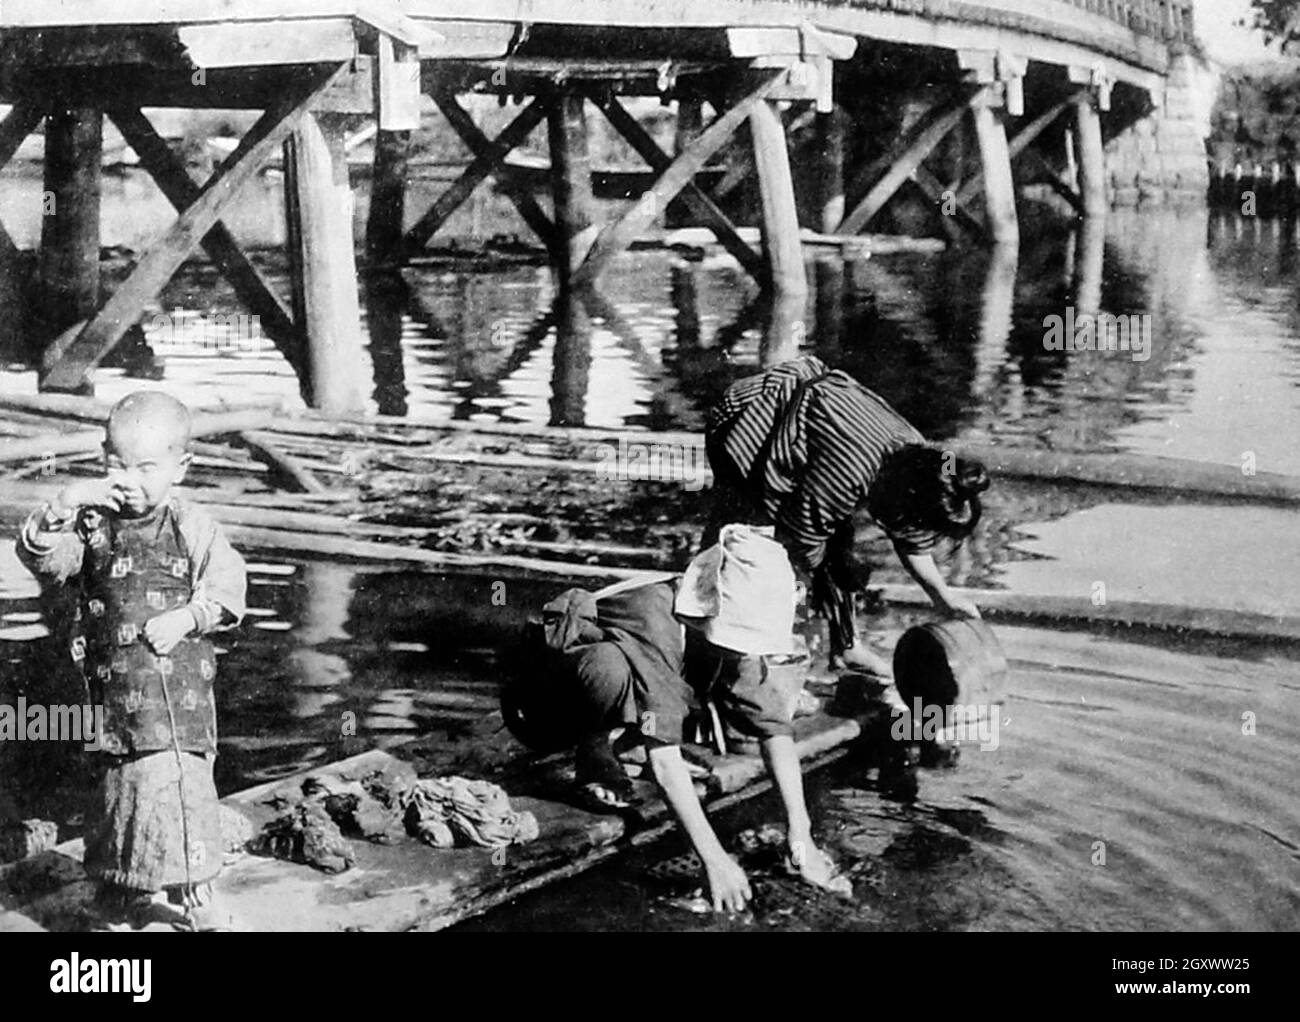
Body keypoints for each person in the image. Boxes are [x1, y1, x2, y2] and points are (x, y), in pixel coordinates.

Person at [503, 526, 848, 913]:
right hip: (539, 705)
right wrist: (715, 861)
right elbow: (664, 761)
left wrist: (801, 835)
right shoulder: (655, 620)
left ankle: (620, 738)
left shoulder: (729, 633)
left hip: (623, 681)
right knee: (610, 670)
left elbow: (773, 727)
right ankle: (593, 746)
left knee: (676, 691)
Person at [17, 391, 246, 931]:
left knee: (179, 793)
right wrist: (62, 506)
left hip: (177, 700)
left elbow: (230, 587)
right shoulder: (92, 523)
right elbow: (47, 564)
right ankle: (117, 891)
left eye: (147, 468)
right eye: (117, 465)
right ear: (102, 459)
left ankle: (197, 899)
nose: (129, 480)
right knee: (116, 795)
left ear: (180, 468)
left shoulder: (191, 524)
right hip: (113, 694)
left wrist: (189, 618)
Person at [705, 355, 989, 677]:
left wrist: (942, 595)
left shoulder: (922, 459)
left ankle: (847, 649)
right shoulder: (848, 474)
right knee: (749, 542)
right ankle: (728, 646)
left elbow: (912, 539)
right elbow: (802, 541)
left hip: (812, 423)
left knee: (838, 552)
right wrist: (810, 581)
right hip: (750, 420)